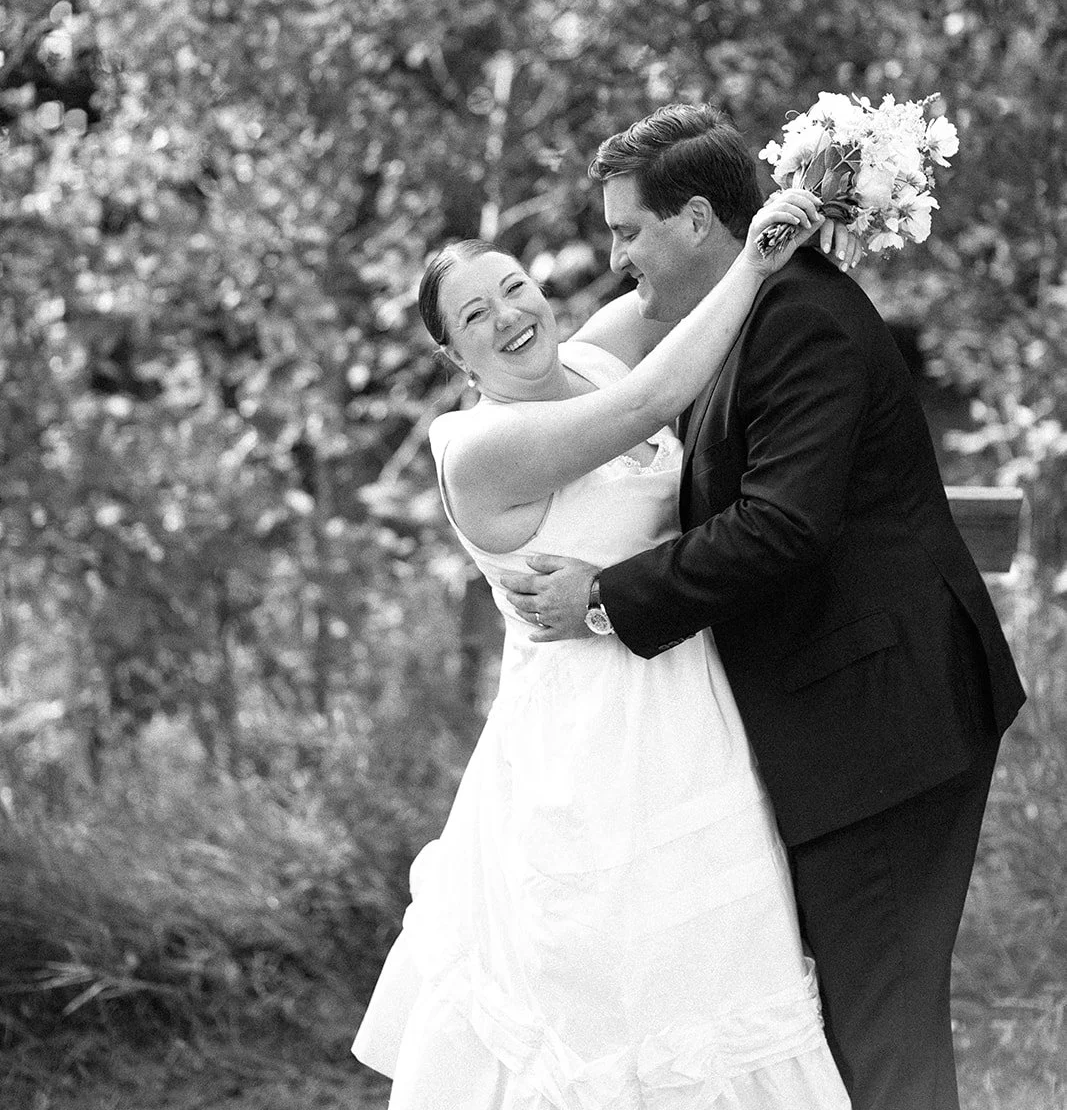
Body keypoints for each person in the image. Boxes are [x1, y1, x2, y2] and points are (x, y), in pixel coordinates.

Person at [502, 103, 1026, 1110]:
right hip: (844, 714)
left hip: (886, 723)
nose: (615, 258)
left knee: (878, 1030)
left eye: (627, 230)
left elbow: (781, 526)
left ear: (696, 219)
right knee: (846, 1024)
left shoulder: (801, 322)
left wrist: (601, 597)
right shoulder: (737, 314)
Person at [352, 187, 855, 1108]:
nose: (508, 316)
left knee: (717, 966)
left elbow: (681, 264)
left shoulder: (588, 353)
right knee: (598, 992)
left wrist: (819, 185)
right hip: (584, 748)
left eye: (512, 287)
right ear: (451, 354)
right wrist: (757, 256)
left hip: (689, 709)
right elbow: (658, 396)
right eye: (475, 314)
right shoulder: (481, 450)